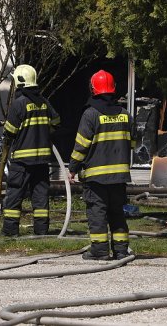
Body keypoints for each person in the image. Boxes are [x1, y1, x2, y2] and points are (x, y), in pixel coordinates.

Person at [68, 70, 134, 260]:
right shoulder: (125, 115)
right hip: (119, 177)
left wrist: (72, 168)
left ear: (93, 89)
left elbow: (81, 146)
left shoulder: (90, 115)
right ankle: (121, 250)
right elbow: (132, 144)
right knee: (117, 213)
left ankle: (100, 250)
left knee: (97, 213)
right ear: (113, 89)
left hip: (96, 178)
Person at [1, 64, 60, 236]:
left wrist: (8, 131)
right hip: (42, 160)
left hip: (22, 161)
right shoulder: (44, 102)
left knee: (15, 194)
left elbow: (10, 132)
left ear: (20, 82)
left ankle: (10, 231)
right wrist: (43, 132)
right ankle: (41, 231)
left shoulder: (19, 104)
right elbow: (56, 122)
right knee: (40, 196)